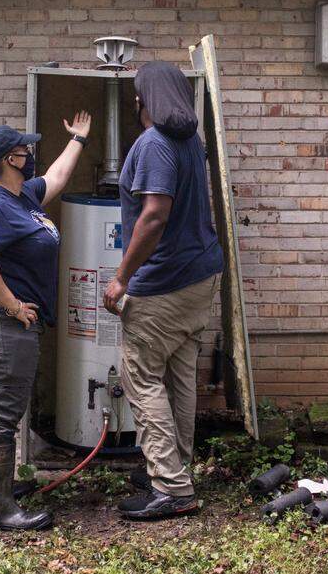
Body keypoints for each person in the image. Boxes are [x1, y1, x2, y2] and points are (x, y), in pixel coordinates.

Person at [103, 61, 223, 521]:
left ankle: (172, 488)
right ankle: (174, 466)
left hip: (164, 282)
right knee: (179, 374)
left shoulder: (154, 145)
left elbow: (154, 216)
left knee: (143, 378)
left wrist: (122, 277)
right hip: (199, 277)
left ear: (142, 102)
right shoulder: (191, 142)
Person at [0, 113, 92, 531]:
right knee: (1, 414)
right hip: (0, 323)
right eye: (25, 149)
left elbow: (54, 178)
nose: (31, 153)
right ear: (11, 159)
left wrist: (79, 141)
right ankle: (0, 510)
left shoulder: (23, 196)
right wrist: (15, 306)